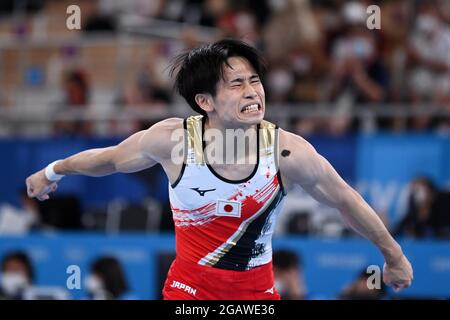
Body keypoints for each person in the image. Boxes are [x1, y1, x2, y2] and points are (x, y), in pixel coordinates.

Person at [25, 39, 413, 300]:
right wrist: (54, 170)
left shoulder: (286, 151)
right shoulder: (173, 142)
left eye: (255, 80)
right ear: (205, 101)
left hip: (256, 295)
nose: (252, 92)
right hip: (188, 292)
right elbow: (110, 159)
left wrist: (393, 254)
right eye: (237, 84)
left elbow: (346, 200)